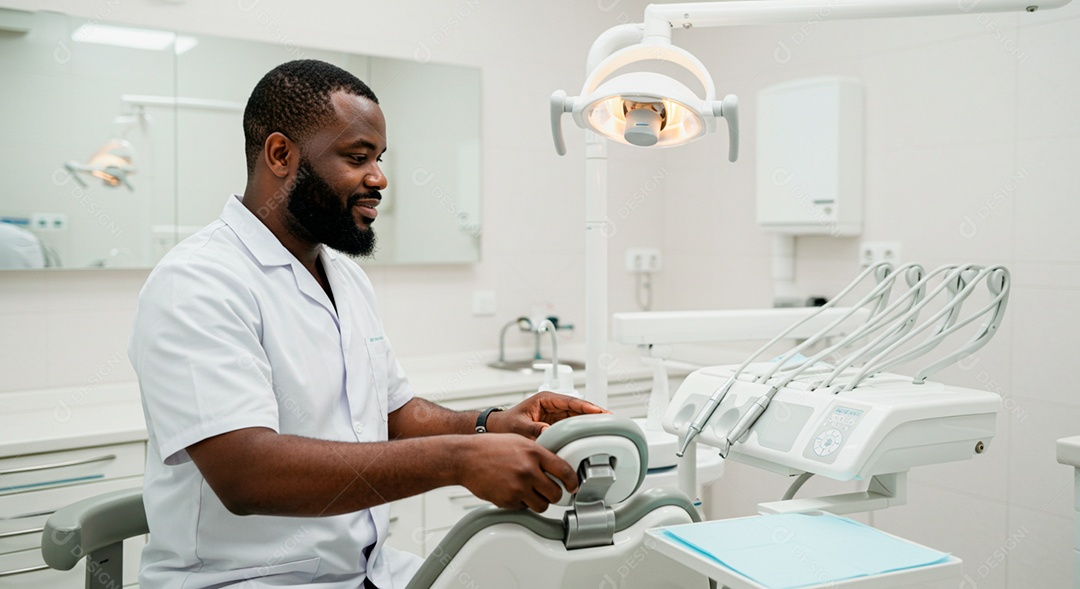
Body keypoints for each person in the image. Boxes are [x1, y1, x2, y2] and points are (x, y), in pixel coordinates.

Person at [128, 59, 605, 589]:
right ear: (281, 155)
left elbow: (393, 414)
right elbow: (246, 474)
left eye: (378, 159)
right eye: (357, 158)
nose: (378, 179)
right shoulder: (198, 282)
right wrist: (458, 459)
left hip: (368, 572)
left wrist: (489, 424)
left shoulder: (345, 278)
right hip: (246, 580)